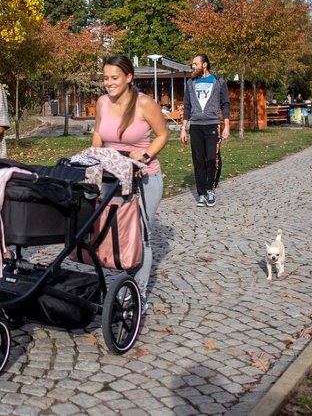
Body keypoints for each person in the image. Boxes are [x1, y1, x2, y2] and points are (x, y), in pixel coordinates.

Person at [93, 54, 168, 309]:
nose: (109, 83)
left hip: (144, 178)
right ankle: (119, 285)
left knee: (140, 236)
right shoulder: (102, 102)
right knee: (112, 232)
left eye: (114, 78)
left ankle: (139, 295)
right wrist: (95, 156)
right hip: (111, 177)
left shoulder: (144, 104)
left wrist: (145, 155)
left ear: (129, 77)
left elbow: (162, 135)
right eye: (105, 78)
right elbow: (98, 134)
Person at [180, 54, 231, 207]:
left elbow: (225, 104)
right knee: (198, 160)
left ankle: (210, 190)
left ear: (205, 65)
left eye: (195, 63)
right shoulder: (190, 83)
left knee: (212, 158)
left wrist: (226, 126)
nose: (193, 66)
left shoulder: (218, 81)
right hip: (195, 126)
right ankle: (201, 193)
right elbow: (187, 107)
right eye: (192, 64)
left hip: (212, 125)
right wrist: (183, 128)